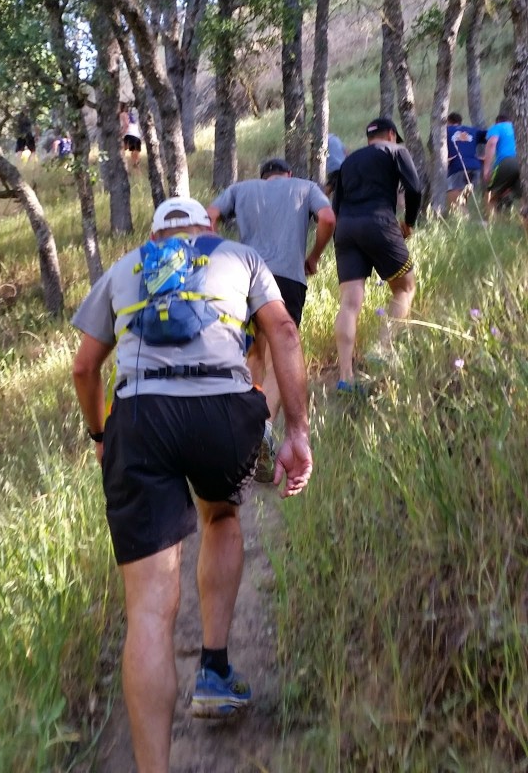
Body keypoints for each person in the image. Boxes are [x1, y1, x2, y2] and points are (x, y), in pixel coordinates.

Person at [71, 197, 312, 773]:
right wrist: (296, 429)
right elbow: (281, 328)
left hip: (139, 418)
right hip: (220, 410)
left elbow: (84, 367)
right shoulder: (240, 256)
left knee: (149, 610)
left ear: (157, 234)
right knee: (222, 517)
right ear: (207, 228)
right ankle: (214, 669)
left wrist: (100, 434)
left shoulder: (125, 267)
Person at [207, 157, 334, 468]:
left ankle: (243, 430)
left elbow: (210, 215)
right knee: (279, 355)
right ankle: (262, 428)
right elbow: (328, 218)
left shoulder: (240, 189)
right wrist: (314, 256)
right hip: (288, 278)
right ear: (287, 174)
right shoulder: (305, 187)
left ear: (263, 177)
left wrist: (220, 252)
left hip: (243, 278)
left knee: (252, 351)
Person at [332, 116, 422, 394]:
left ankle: (345, 377)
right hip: (379, 222)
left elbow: (335, 204)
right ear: (392, 134)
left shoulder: (348, 161)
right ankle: (381, 351)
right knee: (405, 287)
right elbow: (415, 188)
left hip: (345, 228)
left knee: (349, 303)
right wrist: (408, 222)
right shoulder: (396, 151)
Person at [483, 112, 522, 218]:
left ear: (498, 121)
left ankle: (492, 226)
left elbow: (491, 143)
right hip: (522, 163)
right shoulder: (520, 127)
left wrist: (487, 169)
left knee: (489, 196)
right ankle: (521, 225)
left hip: (507, 161)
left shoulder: (497, 127)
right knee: (522, 197)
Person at [446, 111, 486, 211]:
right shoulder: (473, 130)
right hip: (475, 167)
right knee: (462, 201)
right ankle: (468, 223)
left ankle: (464, 224)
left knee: (455, 203)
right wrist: (485, 157)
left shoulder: (445, 131)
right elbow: (491, 137)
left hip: (457, 167)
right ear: (460, 122)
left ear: (448, 121)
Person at [120, 104, 142, 170]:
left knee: (121, 151)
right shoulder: (131, 115)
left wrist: (121, 133)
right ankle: (138, 174)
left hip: (129, 134)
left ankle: (124, 167)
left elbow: (126, 125)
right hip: (137, 135)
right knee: (135, 155)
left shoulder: (123, 114)